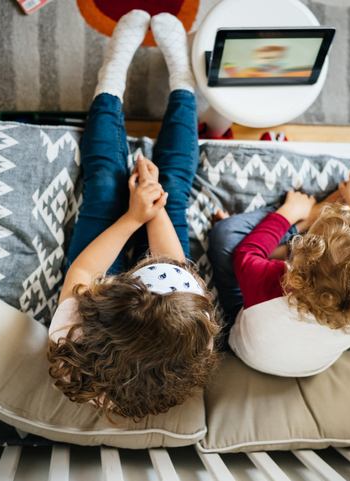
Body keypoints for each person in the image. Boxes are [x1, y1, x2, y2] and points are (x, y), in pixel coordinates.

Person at [47, 10, 220, 420]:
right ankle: (183, 83)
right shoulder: (195, 328)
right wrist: (153, 201)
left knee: (105, 184)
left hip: (106, 298)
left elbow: (87, 268)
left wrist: (131, 216)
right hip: (151, 304)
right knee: (174, 190)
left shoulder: (71, 336)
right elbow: (174, 263)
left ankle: (111, 78)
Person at [208, 170, 350, 377]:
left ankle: (305, 219)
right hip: (303, 368)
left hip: (244, 347)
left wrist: (289, 211)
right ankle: (310, 221)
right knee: (346, 258)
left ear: (297, 266)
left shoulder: (274, 280)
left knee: (226, 235)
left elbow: (248, 252)